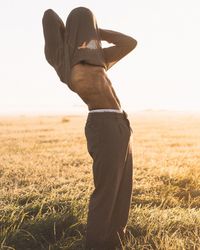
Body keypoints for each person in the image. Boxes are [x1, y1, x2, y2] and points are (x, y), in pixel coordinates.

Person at [42, 6, 137, 250]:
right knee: (106, 193)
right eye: (85, 27)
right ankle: (96, 245)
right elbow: (49, 16)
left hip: (121, 123)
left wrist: (97, 32)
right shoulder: (65, 63)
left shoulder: (100, 59)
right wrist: (73, 34)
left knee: (121, 190)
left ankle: (115, 241)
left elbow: (130, 42)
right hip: (103, 125)